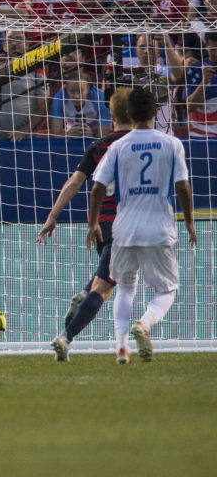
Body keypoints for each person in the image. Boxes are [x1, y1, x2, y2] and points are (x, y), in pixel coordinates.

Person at [84, 85, 196, 362]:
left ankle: (122, 347)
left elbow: (97, 187)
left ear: (129, 113)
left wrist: (93, 222)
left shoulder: (118, 146)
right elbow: (183, 186)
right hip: (159, 228)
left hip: (124, 229)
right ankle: (145, 323)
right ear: (156, 112)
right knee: (166, 290)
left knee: (124, 287)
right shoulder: (171, 143)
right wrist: (189, 221)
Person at [39, 89, 133, 363]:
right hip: (128, 226)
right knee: (103, 289)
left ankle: (83, 293)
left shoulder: (98, 147)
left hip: (102, 226)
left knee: (105, 281)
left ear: (111, 114)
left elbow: (75, 182)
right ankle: (65, 337)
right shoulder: (142, 145)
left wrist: (52, 216)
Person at [49, 69, 111, 138]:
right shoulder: (59, 98)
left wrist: (92, 135)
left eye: (80, 91)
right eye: (72, 91)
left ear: (88, 89)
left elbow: (103, 136)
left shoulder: (101, 98)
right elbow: (55, 135)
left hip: (95, 134)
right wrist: (67, 135)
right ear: (66, 90)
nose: (77, 96)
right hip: (71, 135)